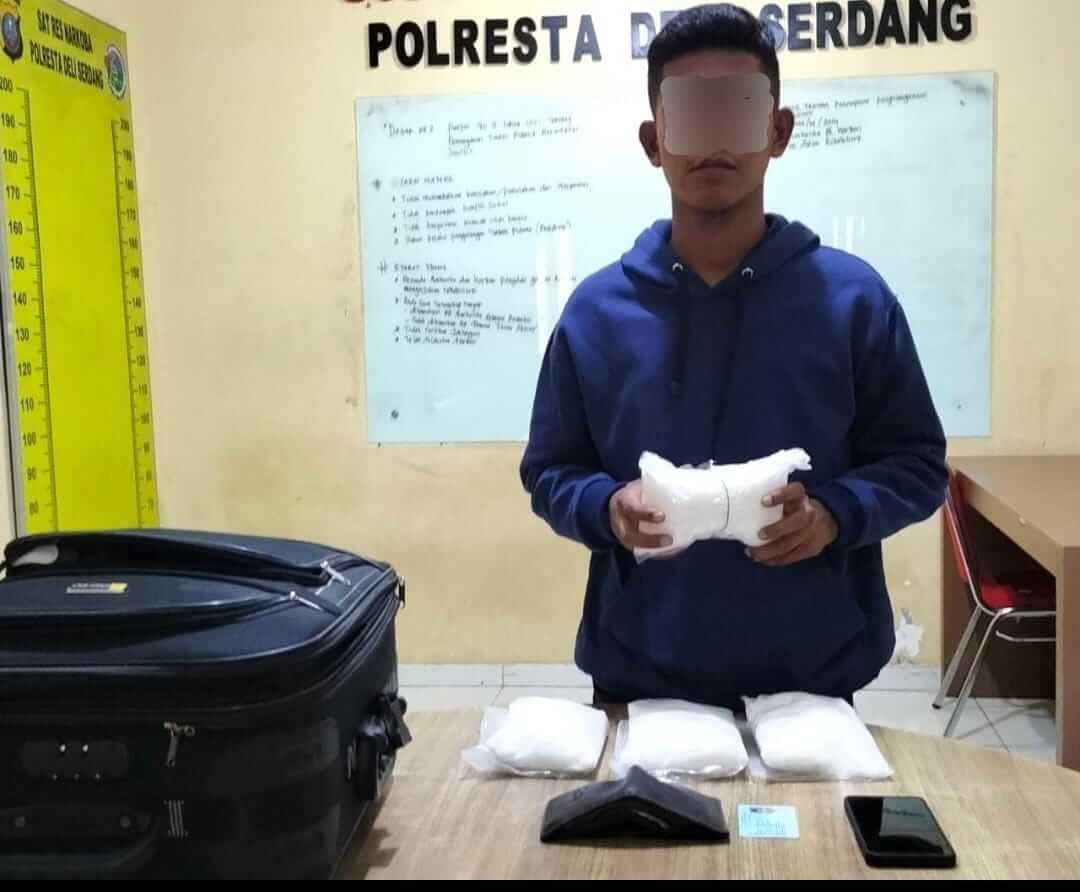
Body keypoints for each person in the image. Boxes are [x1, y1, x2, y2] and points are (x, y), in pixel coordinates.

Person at [519, 3, 948, 710]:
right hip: (638, 676)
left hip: (812, 684)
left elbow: (917, 465)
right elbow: (549, 471)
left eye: (737, 112)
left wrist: (833, 514)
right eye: (693, 116)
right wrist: (607, 507)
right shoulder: (596, 313)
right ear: (654, 140)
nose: (713, 143)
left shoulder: (854, 301)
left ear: (777, 131)